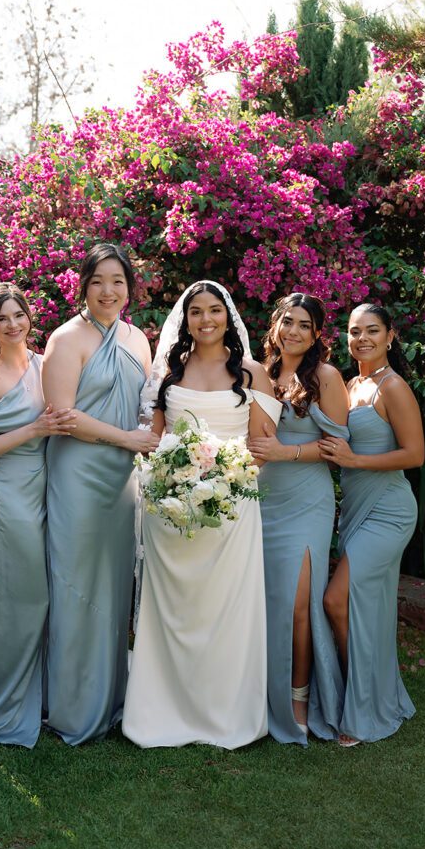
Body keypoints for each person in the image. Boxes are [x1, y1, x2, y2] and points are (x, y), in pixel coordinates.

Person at [122, 281, 282, 749]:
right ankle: (161, 711)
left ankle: (224, 716)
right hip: (169, 512)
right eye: (196, 312)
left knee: (224, 613)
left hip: (230, 514)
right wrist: (172, 481)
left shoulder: (253, 374)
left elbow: (262, 450)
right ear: (185, 318)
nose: (206, 319)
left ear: (228, 317)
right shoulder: (170, 371)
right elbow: (152, 440)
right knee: (173, 612)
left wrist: (222, 481)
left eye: (214, 310)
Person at [41, 243, 158, 744]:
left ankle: (112, 701)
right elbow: (62, 417)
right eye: (98, 281)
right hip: (79, 473)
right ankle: (72, 708)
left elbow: (148, 407)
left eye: (118, 281)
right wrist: (129, 438)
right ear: (83, 287)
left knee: (112, 587)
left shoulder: (138, 339)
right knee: (74, 585)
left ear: (130, 286)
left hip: (122, 479)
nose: (109, 291)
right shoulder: (66, 339)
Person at [0, 284, 75, 748]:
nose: (13, 324)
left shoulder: (46, 364)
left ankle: (44, 694)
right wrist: (34, 428)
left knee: (47, 592)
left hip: (50, 486)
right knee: (14, 596)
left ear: (30, 317)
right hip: (7, 490)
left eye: (19, 315)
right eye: (2, 318)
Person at [320, 303, 425, 746]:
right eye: (354, 331)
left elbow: (415, 454)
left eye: (372, 331)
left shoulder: (393, 387)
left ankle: (363, 703)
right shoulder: (351, 384)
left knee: (336, 600)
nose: (361, 338)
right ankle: (373, 691)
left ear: (390, 336)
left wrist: (354, 459)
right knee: (365, 605)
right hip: (358, 510)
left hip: (389, 510)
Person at [249, 293, 348, 745]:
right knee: (264, 602)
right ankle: (257, 693)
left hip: (307, 501)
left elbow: (335, 452)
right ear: (275, 324)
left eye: (304, 325)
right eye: (288, 321)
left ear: (316, 335)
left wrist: (285, 451)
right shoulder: (258, 373)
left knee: (298, 606)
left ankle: (299, 698)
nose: (293, 331)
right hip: (262, 498)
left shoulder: (325, 377)